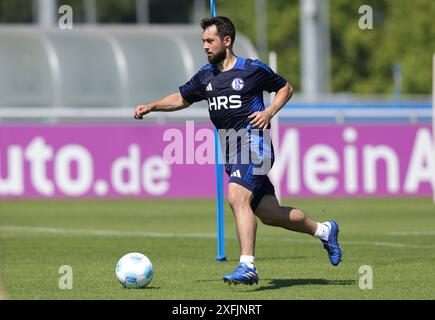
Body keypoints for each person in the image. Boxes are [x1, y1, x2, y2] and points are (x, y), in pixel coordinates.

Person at [134, 16, 342, 285]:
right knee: (270, 214)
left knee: (236, 196)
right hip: (232, 154)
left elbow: (285, 88)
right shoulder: (205, 76)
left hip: (256, 146)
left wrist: (269, 112)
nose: (205, 47)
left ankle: (247, 266)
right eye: (203, 42)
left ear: (227, 41)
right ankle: (324, 230)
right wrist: (152, 106)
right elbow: (181, 98)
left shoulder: (251, 69)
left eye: (210, 41)